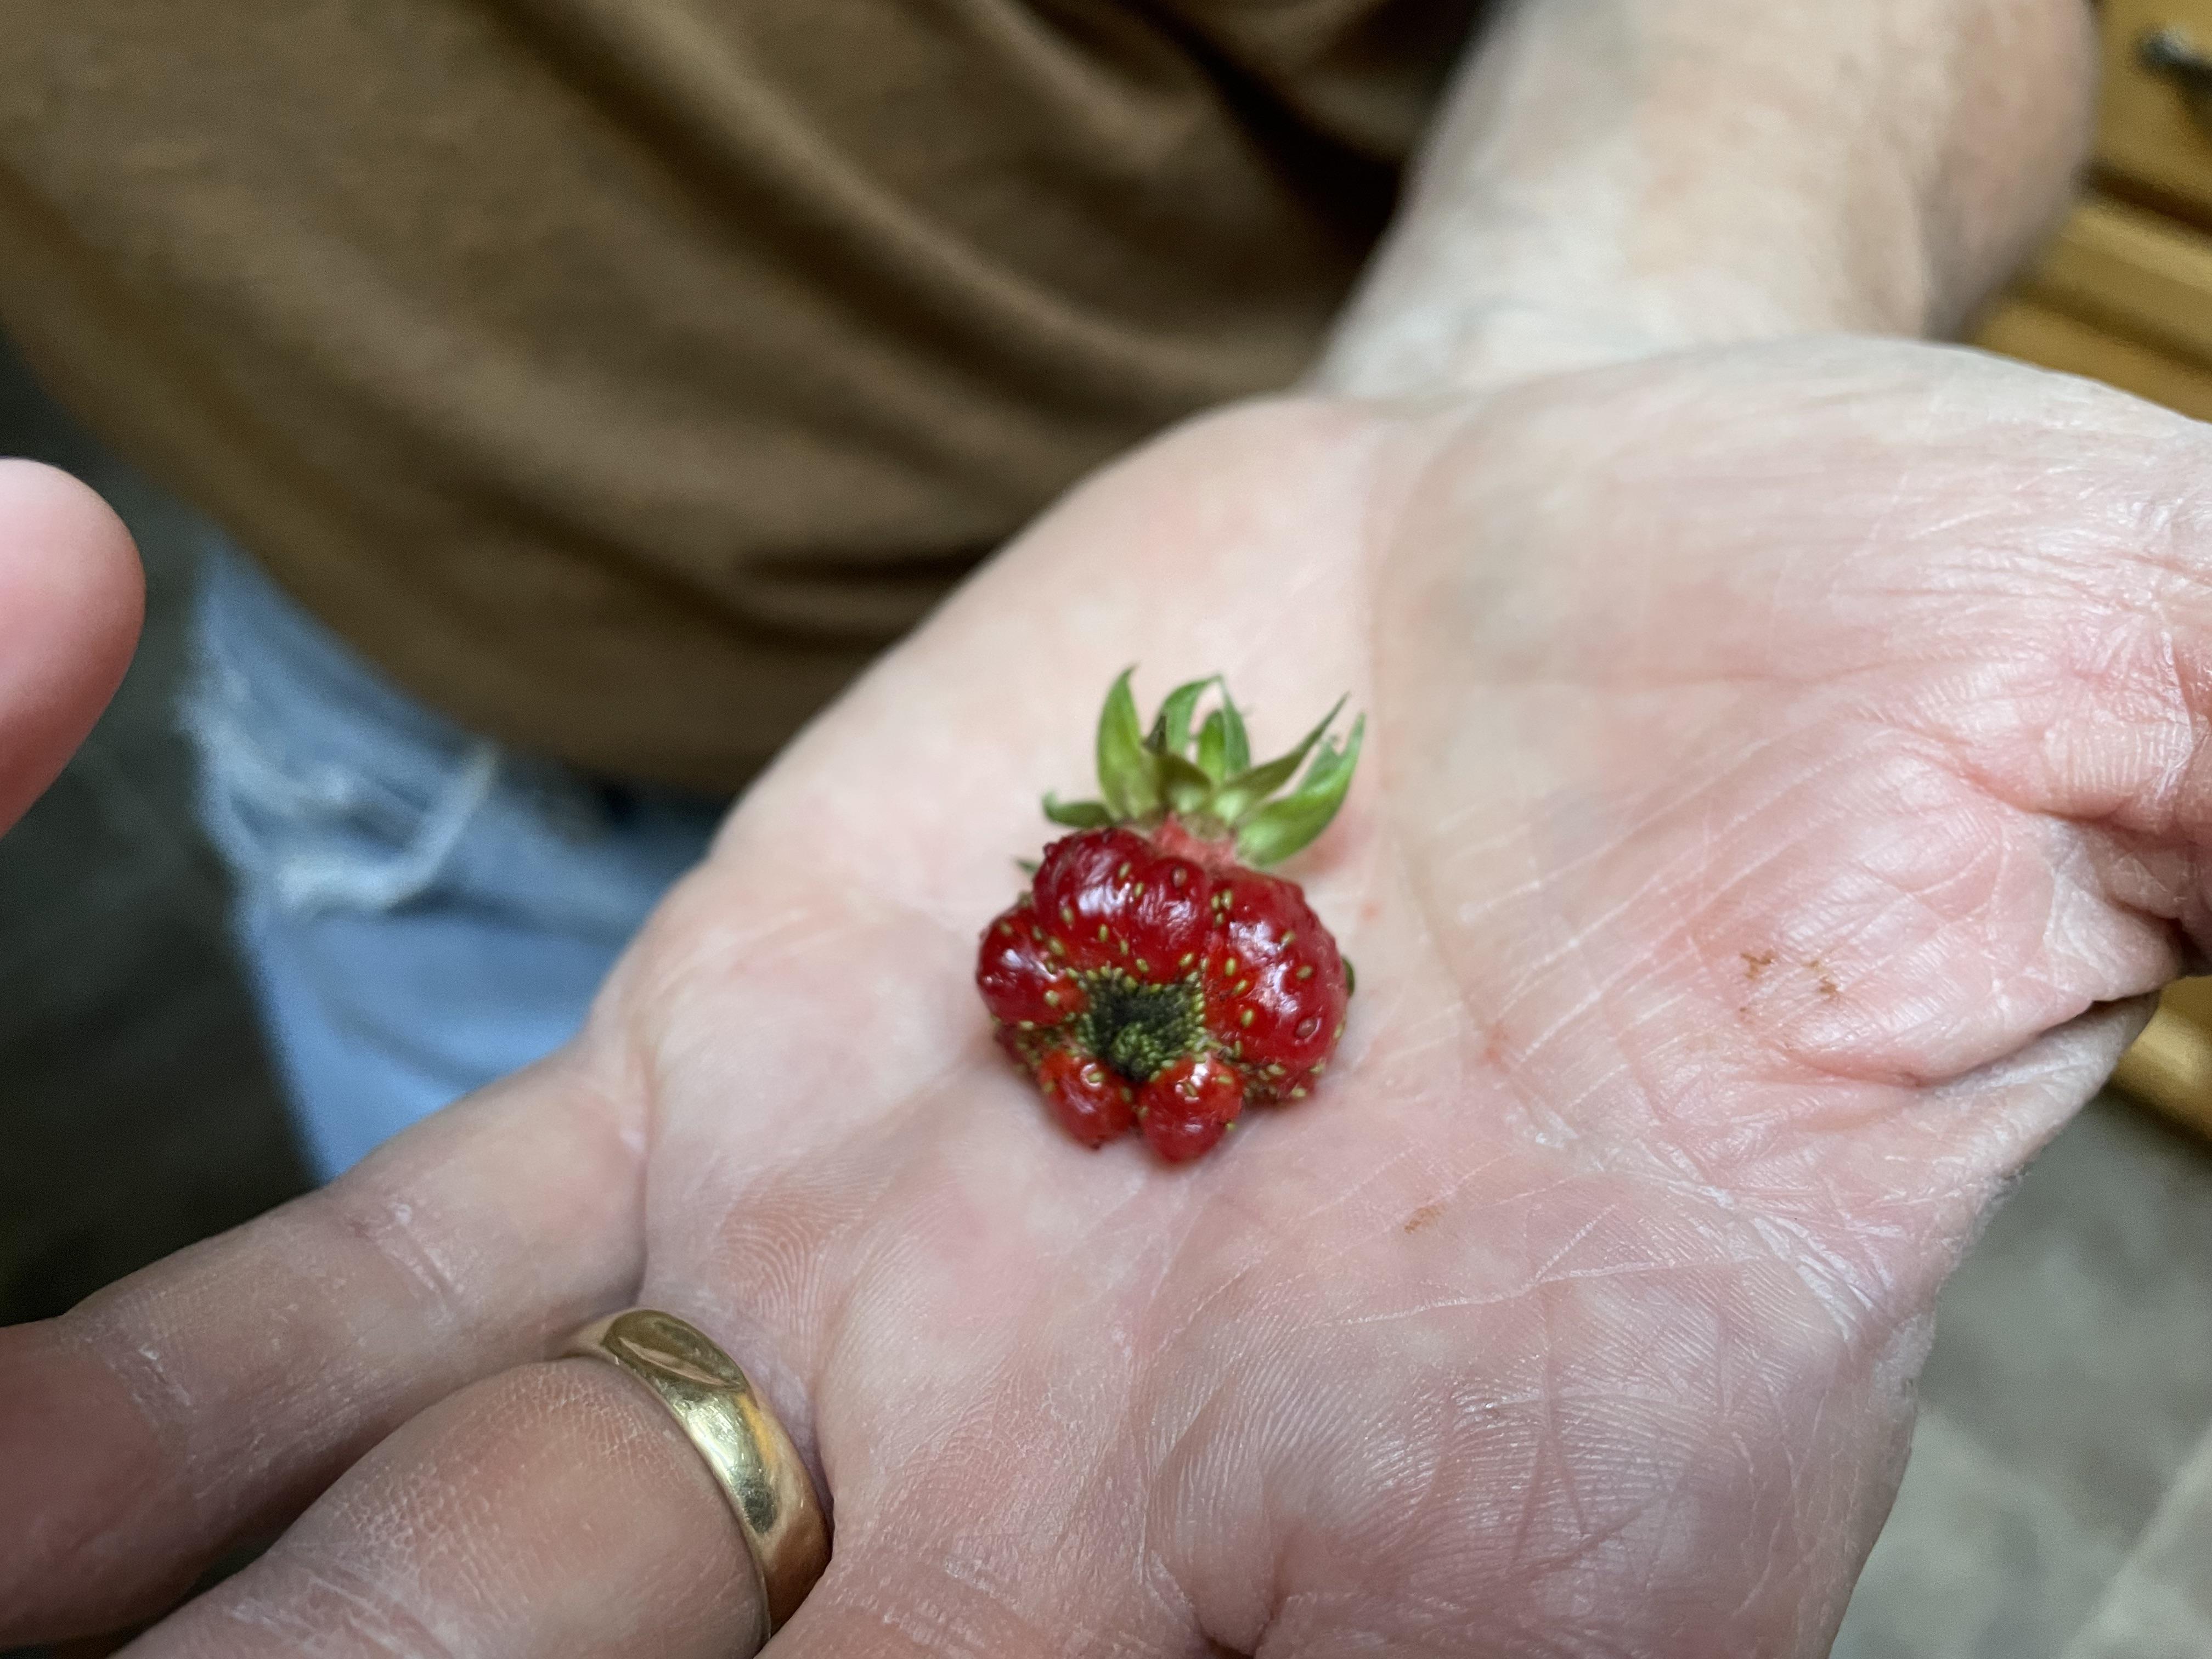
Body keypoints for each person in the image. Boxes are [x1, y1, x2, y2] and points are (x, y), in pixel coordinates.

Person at [0, 0, 2169, 1653]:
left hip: (1361, 494)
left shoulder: (1166, 934)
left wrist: (1549, 379)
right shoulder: (1120, 967)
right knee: (542, 1440)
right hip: (401, 749)